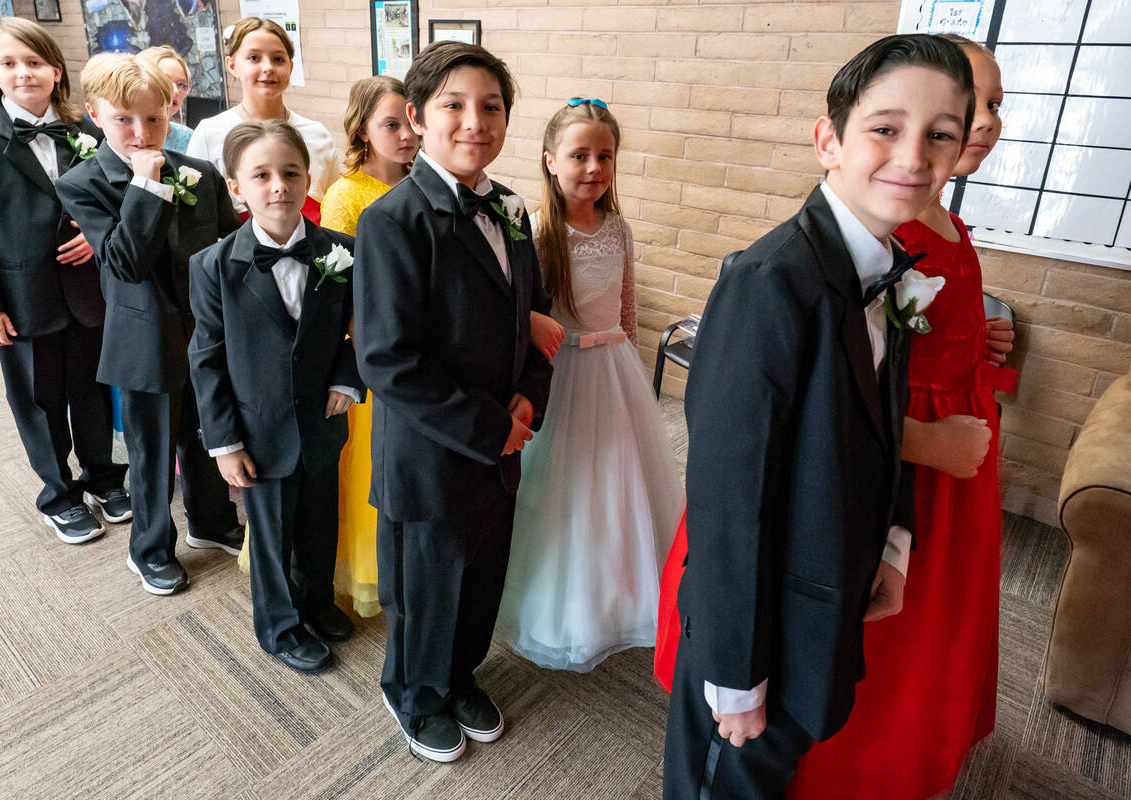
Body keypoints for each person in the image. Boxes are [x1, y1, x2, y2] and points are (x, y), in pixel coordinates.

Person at [662, 34, 976, 799]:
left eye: (940, 135)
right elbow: (730, 500)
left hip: (823, 603)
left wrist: (892, 543)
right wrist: (736, 675)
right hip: (753, 632)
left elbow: (883, 424)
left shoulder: (888, 269)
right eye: (885, 128)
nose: (914, 155)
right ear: (828, 142)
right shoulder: (770, 283)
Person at [787, 35, 1016, 800]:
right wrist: (926, 441)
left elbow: (922, 333)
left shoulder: (942, 219)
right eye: (969, 103)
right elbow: (827, 382)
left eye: (991, 107)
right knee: (884, 625)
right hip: (903, 457)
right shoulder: (886, 231)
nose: (983, 121)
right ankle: (850, 764)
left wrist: (975, 336)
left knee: (937, 623)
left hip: (954, 452)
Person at [353, 41, 554, 763]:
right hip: (432, 450)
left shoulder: (510, 209)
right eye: (454, 105)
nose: (476, 122)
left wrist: (529, 397)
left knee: (480, 574)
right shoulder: (394, 220)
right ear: (416, 117)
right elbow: (388, 359)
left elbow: (534, 314)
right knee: (427, 586)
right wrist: (489, 426)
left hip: (501, 441)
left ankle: (460, 674)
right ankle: (414, 692)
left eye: (491, 106)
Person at [495, 99, 684, 671]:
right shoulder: (537, 230)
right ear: (550, 160)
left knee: (618, 487)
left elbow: (626, 308)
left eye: (605, 156)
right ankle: (557, 604)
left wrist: (633, 370)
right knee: (563, 490)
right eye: (579, 155)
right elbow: (522, 312)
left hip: (615, 371)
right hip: (561, 373)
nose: (594, 167)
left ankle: (617, 597)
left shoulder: (619, 229)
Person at [57, 53, 243, 596]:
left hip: (205, 334)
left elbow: (231, 249)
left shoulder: (200, 171)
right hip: (144, 339)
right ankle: (150, 548)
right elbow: (124, 262)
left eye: (155, 118)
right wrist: (145, 187)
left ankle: (211, 521)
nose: (142, 133)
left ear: (171, 112)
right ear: (95, 115)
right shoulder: (82, 183)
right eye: (124, 119)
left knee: (207, 434)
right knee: (153, 452)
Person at [0, 17, 129, 544]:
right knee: (38, 397)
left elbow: (113, 198)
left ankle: (104, 477)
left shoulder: (87, 130)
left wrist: (98, 235)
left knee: (92, 388)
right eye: (9, 63)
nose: (24, 72)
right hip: (20, 294)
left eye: (35, 61)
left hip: (86, 288)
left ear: (56, 70)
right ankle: (59, 494)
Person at [189, 119, 364, 671]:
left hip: (321, 419)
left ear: (308, 178)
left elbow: (364, 329)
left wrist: (347, 377)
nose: (278, 186)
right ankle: (279, 626)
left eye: (290, 172)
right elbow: (206, 358)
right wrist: (223, 443)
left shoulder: (343, 252)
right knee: (270, 536)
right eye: (261, 175)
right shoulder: (213, 266)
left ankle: (316, 603)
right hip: (257, 429)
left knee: (319, 523)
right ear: (236, 187)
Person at [274, 75, 418, 615]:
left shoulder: (423, 184)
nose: (406, 135)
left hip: (418, 340)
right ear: (362, 130)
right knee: (360, 471)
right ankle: (344, 572)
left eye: (411, 123)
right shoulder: (346, 194)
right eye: (390, 125)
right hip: (370, 346)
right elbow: (337, 290)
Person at [187, 17, 335, 222]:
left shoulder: (316, 134)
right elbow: (198, 216)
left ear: (291, 66)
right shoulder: (209, 134)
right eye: (254, 58)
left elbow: (333, 208)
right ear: (232, 65)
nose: (268, 68)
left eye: (278, 59)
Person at [135, 46, 193, 152]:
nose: (175, 91)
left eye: (181, 84)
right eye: (165, 81)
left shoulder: (189, 137)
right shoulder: (124, 136)